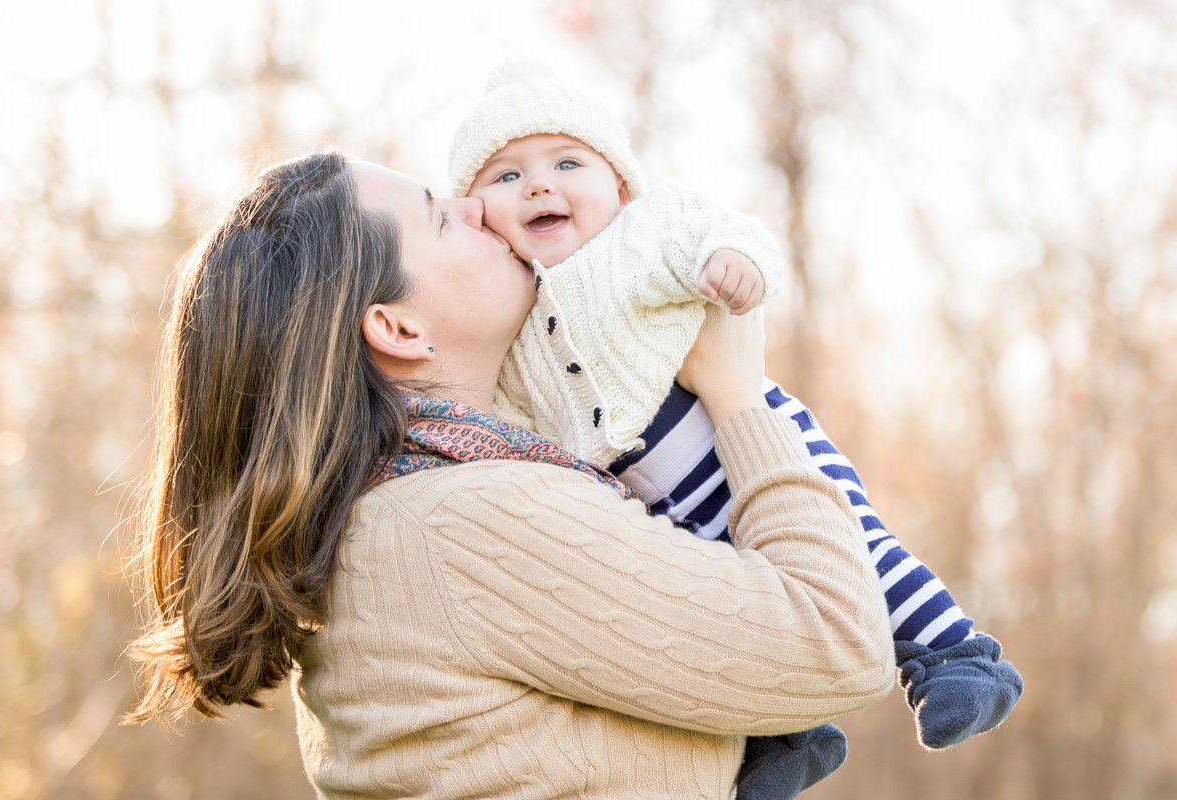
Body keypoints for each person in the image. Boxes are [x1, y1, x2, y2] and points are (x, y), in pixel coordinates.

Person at [124, 150, 895, 799]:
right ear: (397, 327)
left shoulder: (401, 511)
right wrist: (736, 394)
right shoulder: (457, 519)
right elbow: (839, 641)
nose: (478, 207)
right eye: (437, 216)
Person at [449, 75, 1024, 798]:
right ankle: (790, 735)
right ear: (478, 215)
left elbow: (729, 231)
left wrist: (734, 263)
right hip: (653, 506)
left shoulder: (647, 233)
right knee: (730, 602)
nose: (539, 186)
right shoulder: (510, 308)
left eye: (567, 164)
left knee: (854, 549)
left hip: (740, 442)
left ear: (621, 186)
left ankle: (958, 656)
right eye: (508, 176)